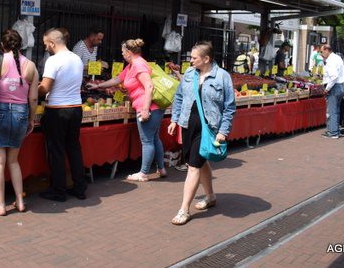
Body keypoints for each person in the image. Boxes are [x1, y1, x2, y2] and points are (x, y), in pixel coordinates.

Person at [167, 41, 236, 225]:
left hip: (209, 126)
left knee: (193, 166)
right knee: (200, 160)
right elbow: (179, 97)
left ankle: (184, 210)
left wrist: (223, 131)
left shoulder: (222, 76)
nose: (190, 60)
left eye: (194, 57)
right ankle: (211, 196)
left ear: (206, 59)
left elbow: (229, 107)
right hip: (188, 124)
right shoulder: (190, 74)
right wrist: (174, 119)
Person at [87, 38, 167, 181]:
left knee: (147, 141)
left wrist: (145, 109)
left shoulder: (138, 65)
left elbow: (149, 86)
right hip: (152, 107)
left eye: (123, 52)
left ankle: (143, 173)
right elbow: (117, 79)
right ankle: (161, 169)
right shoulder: (131, 66)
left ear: (129, 52)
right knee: (154, 138)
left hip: (148, 107)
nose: (122, 54)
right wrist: (98, 86)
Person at [0, 29, 39, 216]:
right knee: (13, 161)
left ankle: (1, 205)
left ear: (2, 45)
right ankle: (20, 201)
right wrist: (31, 119)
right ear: (20, 45)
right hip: (21, 113)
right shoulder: (31, 65)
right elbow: (34, 99)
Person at [38, 28, 87, 202]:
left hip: (57, 110)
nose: (45, 48)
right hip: (76, 108)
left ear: (52, 43)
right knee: (74, 147)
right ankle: (79, 188)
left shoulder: (53, 60)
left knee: (56, 151)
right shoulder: (77, 59)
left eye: (46, 44)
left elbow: (45, 88)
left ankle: (58, 191)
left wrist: (31, 90)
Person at [320, 44, 344, 139]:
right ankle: (335, 130)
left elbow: (334, 76)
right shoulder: (338, 58)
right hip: (340, 86)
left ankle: (333, 132)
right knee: (336, 110)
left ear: (327, 50)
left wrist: (327, 89)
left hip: (334, 87)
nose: (321, 54)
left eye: (322, 51)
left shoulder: (331, 61)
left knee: (332, 111)